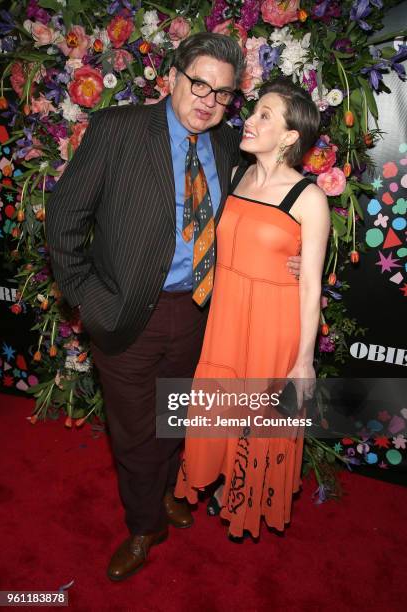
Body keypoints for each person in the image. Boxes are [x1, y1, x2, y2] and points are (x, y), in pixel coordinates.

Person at [46, 33, 300, 581]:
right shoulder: (118, 129)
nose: (208, 100)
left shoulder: (233, 144)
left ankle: (160, 494)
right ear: (173, 77)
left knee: (175, 418)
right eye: (199, 83)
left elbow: (266, 212)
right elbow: (63, 220)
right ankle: (143, 526)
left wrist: (292, 261)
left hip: (203, 316)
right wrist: (90, 301)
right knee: (136, 431)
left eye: (224, 93)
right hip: (126, 314)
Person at [175, 77, 330, 539]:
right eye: (254, 110)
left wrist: (304, 361)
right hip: (227, 315)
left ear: (289, 137)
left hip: (273, 323)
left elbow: (311, 285)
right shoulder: (238, 175)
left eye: (266, 115)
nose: (250, 120)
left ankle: (243, 491)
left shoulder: (310, 198)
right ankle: (221, 475)